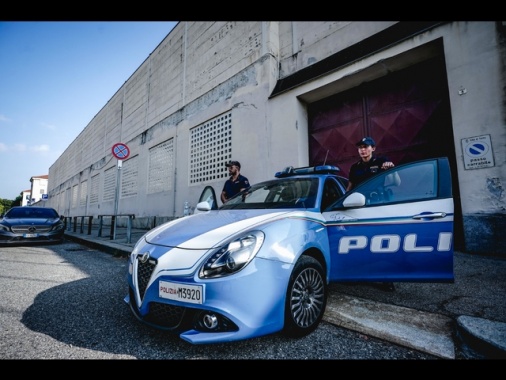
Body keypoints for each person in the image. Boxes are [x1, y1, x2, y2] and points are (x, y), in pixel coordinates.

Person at [347, 136, 396, 292]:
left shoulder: (382, 162)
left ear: (373, 148)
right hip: (359, 208)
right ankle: (361, 274)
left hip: (378, 207)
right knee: (361, 242)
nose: (363, 149)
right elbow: (350, 187)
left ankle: (387, 278)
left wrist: (392, 169)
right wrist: (341, 202)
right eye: (360, 147)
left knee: (381, 243)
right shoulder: (355, 167)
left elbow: (397, 182)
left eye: (366, 146)